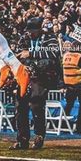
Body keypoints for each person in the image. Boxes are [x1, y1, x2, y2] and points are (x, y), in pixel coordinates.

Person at [11, 17, 60, 150]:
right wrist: (27, 63)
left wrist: (31, 54)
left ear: (40, 29)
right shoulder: (24, 38)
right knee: (20, 106)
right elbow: (19, 54)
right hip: (25, 75)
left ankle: (39, 136)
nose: (30, 33)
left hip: (43, 77)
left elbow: (55, 53)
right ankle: (22, 139)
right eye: (29, 31)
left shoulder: (50, 37)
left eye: (33, 31)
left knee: (36, 104)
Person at [63, 42, 81, 134]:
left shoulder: (65, 56)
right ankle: (80, 129)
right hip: (80, 84)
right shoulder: (80, 57)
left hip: (69, 85)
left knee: (68, 105)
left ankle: (63, 126)